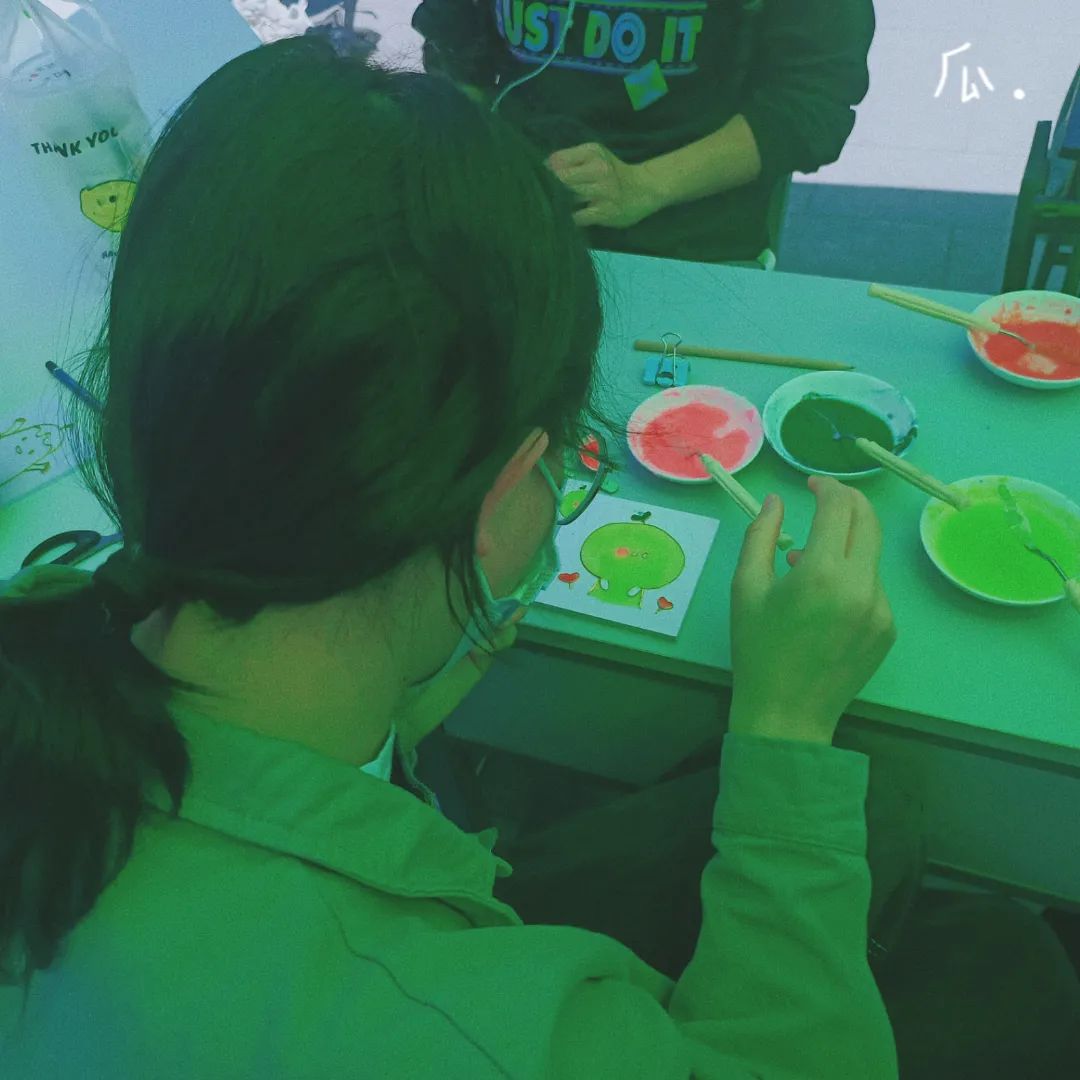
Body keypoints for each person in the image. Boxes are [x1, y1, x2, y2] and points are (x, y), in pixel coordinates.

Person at [1, 36, 1078, 1080]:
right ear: (508, 490)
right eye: (572, 462)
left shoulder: (56, 638)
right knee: (1018, 972)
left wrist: (400, 700)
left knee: (885, 814)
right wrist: (787, 723)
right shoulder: (443, 1029)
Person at [411, 0, 875, 266]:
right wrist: (475, 158)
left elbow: (813, 101)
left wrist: (644, 185)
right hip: (508, 226)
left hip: (686, 242)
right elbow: (454, 45)